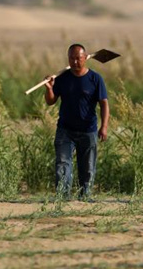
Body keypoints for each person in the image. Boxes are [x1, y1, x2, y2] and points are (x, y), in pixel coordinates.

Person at [43, 44, 109, 200]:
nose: (74, 62)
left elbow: (104, 103)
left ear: (85, 58)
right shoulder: (62, 78)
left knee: (87, 168)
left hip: (88, 130)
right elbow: (51, 101)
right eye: (71, 58)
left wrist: (104, 126)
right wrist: (49, 88)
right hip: (65, 130)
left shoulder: (95, 79)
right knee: (62, 164)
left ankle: (84, 197)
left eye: (78, 58)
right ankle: (62, 197)